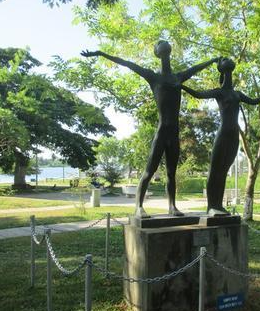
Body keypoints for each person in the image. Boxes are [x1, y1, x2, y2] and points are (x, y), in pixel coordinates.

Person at [82, 41, 220, 218]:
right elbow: (127, 63)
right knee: (149, 171)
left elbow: (196, 68)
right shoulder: (153, 77)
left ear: (168, 51)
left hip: (174, 133)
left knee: (171, 173)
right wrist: (101, 53)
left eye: (164, 44)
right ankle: (138, 207)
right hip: (162, 132)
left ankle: (172, 206)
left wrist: (213, 60)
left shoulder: (179, 77)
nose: (163, 46)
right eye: (159, 45)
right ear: (157, 53)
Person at [182, 57, 260, 216]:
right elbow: (198, 94)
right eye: (224, 60)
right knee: (215, 170)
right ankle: (211, 206)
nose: (227, 59)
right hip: (223, 134)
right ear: (222, 69)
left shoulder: (237, 93)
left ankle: (218, 205)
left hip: (234, 136)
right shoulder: (219, 92)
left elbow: (253, 101)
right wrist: (181, 86)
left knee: (224, 170)